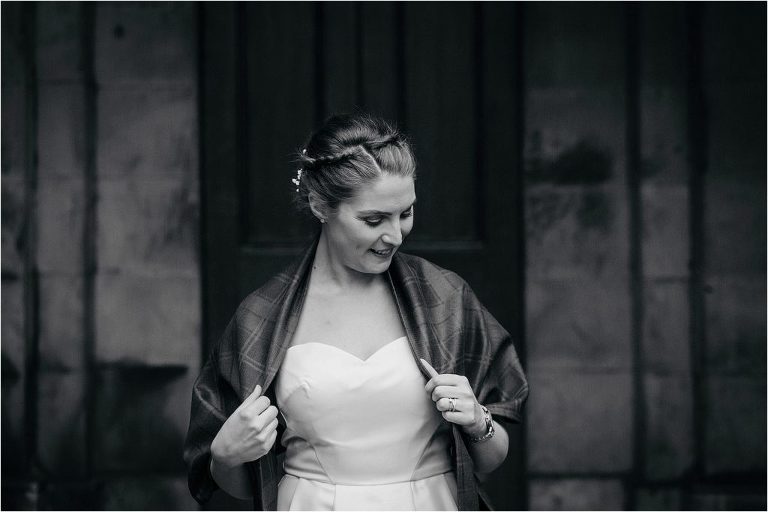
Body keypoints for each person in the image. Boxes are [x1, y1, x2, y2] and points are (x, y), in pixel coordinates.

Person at [183, 113, 528, 510]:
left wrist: (477, 420)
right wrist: (225, 455)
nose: (395, 235)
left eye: (406, 213)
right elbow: (245, 488)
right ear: (319, 205)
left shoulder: (446, 298)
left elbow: (493, 458)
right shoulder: (262, 316)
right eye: (373, 219)